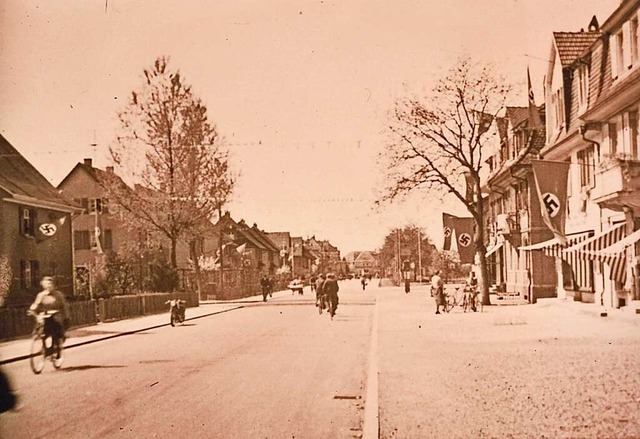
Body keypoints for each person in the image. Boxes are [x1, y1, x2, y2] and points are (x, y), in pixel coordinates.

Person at [29, 276, 70, 356]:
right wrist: (32, 309)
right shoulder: (41, 295)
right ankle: (45, 347)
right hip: (45, 317)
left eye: (50, 284)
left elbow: (64, 307)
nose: (49, 286)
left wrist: (66, 317)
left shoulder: (58, 295)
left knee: (56, 332)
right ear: (44, 286)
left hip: (56, 317)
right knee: (41, 330)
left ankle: (57, 348)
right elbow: (36, 304)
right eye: (47, 285)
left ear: (53, 285)